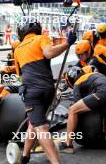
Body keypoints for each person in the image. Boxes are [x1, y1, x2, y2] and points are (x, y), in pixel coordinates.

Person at [14, 21, 77, 164]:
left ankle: (56, 162)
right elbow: (49, 53)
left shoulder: (17, 50)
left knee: (40, 127)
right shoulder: (41, 38)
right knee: (34, 122)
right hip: (48, 90)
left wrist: (67, 44)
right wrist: (68, 43)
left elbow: (20, 76)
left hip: (31, 91)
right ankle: (25, 155)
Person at [59, 66, 106, 153]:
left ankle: (68, 145)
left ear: (70, 79)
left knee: (73, 110)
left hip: (104, 92)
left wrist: (69, 115)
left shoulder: (77, 82)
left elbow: (77, 103)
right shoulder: (94, 74)